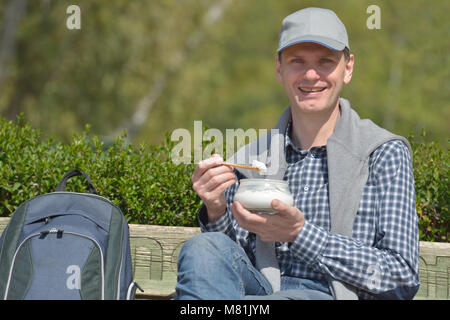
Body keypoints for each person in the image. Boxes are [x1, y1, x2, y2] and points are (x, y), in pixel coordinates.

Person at [175, 7, 419, 300]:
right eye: (297, 61)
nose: (311, 74)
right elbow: (230, 269)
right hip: (261, 296)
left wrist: (300, 234)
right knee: (203, 248)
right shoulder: (252, 157)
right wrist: (216, 210)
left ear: (348, 67)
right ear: (279, 69)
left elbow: (402, 276)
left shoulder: (383, 153)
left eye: (326, 61)